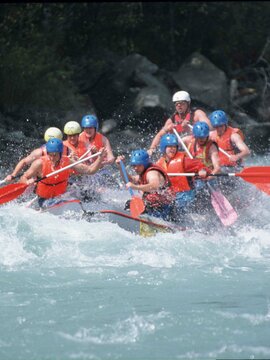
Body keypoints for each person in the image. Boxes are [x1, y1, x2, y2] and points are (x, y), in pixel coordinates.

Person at [19, 138, 106, 209]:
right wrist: (26, 182)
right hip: (45, 199)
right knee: (66, 204)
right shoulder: (39, 163)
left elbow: (90, 171)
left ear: (61, 154)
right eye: (50, 154)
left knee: (87, 194)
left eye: (55, 155)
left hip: (63, 196)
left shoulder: (67, 161)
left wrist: (100, 158)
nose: (52, 158)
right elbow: (23, 177)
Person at [155, 133, 211, 223]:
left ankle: (177, 223)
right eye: (169, 146)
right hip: (172, 196)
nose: (172, 149)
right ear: (163, 148)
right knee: (157, 204)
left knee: (175, 209)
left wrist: (203, 170)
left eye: (174, 146)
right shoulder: (159, 165)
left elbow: (200, 165)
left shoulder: (184, 161)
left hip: (186, 195)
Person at [115, 149, 175, 221]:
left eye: (139, 165)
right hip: (153, 206)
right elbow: (130, 180)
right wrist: (121, 168)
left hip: (165, 208)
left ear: (145, 164)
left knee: (148, 205)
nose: (136, 168)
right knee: (129, 204)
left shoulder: (152, 173)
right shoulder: (143, 172)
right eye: (134, 166)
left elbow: (154, 186)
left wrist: (136, 187)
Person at [148, 91, 211, 156]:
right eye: (177, 104)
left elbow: (210, 128)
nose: (179, 106)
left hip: (199, 145)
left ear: (188, 103)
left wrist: (192, 127)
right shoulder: (171, 121)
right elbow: (159, 135)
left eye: (182, 103)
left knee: (187, 139)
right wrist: (152, 148)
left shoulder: (197, 114)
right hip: (181, 150)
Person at [209, 110, 251, 204]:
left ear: (225, 124)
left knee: (218, 177)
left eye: (220, 126)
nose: (218, 129)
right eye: (216, 126)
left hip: (234, 169)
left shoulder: (234, 136)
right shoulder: (212, 135)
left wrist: (237, 156)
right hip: (220, 168)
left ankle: (233, 200)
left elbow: (246, 151)